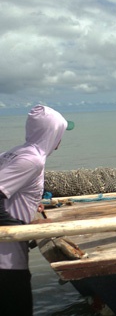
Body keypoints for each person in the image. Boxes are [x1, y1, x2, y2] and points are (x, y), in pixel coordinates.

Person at [0, 105, 74, 316]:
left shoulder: (12, 153)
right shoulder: (31, 161)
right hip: (6, 263)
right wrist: (23, 229)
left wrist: (31, 203)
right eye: (61, 132)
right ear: (53, 133)